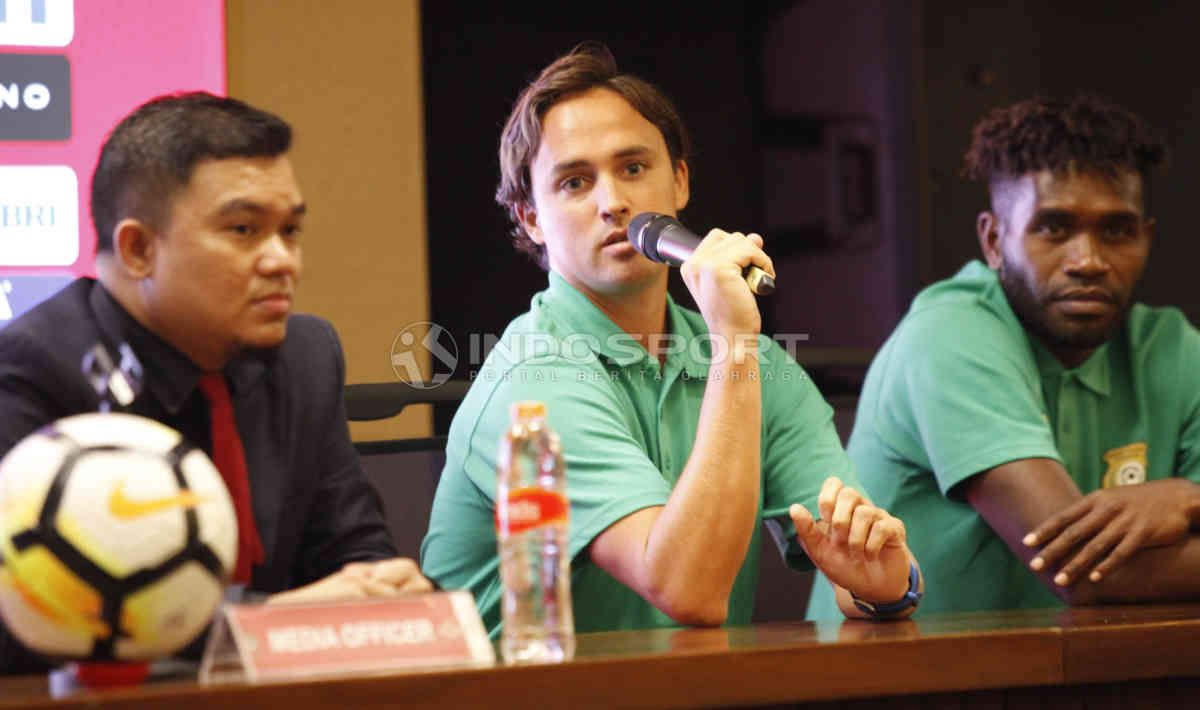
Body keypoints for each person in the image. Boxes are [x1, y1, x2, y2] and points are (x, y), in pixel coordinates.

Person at [421, 44, 921, 635]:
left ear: (679, 181)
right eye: (576, 182)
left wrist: (885, 585)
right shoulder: (532, 379)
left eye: (633, 168)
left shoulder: (754, 362)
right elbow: (688, 590)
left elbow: (861, 571)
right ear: (531, 218)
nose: (613, 202)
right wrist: (734, 342)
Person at [0, 93, 430, 673]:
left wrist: (385, 590)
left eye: (291, 231)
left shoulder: (306, 357)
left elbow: (354, 554)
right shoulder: (31, 370)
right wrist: (269, 624)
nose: (284, 261)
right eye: (244, 230)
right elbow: (36, 627)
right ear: (138, 249)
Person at [808, 94, 1200, 619]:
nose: (1088, 260)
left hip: (1074, 676)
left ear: (1146, 239)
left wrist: (1185, 497)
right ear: (994, 241)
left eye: (1117, 231)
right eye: (1054, 228)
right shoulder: (949, 336)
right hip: (896, 685)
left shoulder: (1171, 347)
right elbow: (1076, 571)